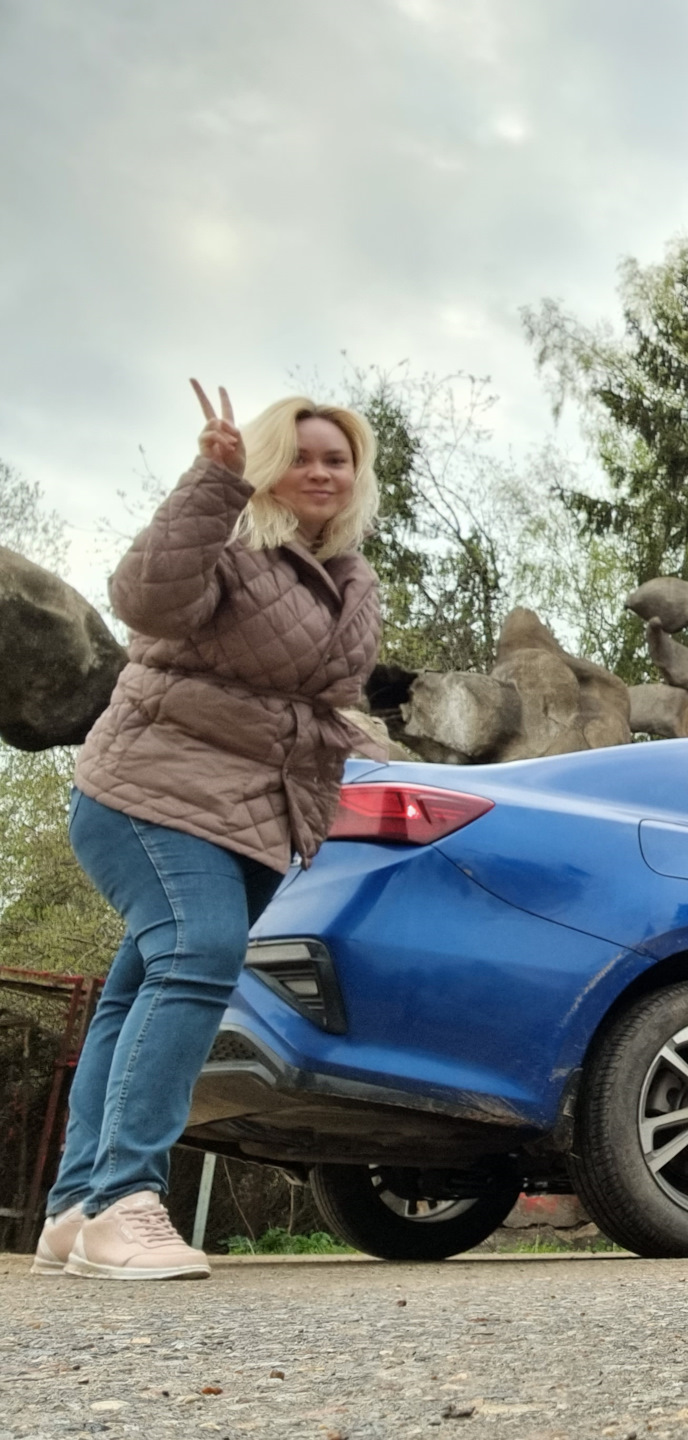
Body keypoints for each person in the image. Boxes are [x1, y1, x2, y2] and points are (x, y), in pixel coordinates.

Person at [34, 384, 383, 1280]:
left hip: (261, 819)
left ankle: (76, 1209)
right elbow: (142, 598)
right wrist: (212, 480)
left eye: (335, 458)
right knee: (201, 949)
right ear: (268, 464)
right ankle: (125, 1199)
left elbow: (321, 703)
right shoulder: (228, 539)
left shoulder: (354, 578)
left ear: (355, 476)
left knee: (137, 990)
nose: (319, 470)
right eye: (300, 454)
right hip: (149, 794)